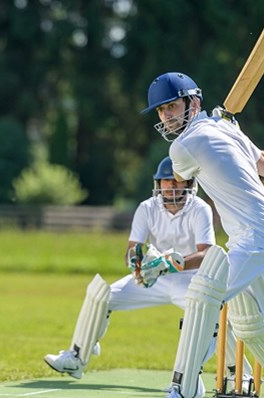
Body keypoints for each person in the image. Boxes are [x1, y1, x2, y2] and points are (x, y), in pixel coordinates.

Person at [44, 156, 249, 392]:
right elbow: (132, 248)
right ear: (158, 183)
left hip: (188, 280)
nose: (171, 185)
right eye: (166, 181)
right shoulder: (147, 208)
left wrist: (172, 264)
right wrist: (137, 263)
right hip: (154, 278)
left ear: (189, 184)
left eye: (177, 180)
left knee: (212, 313)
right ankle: (76, 357)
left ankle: (238, 375)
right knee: (102, 294)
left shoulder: (199, 209)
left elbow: (206, 254)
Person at [141, 71, 264, 398]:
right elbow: (262, 163)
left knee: (202, 298)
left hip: (255, 237)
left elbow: (181, 174)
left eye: (171, 107)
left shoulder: (183, 146)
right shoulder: (225, 129)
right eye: (161, 111)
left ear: (193, 102)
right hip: (249, 237)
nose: (166, 117)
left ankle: (181, 389)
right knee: (251, 325)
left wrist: (223, 127)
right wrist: (229, 128)